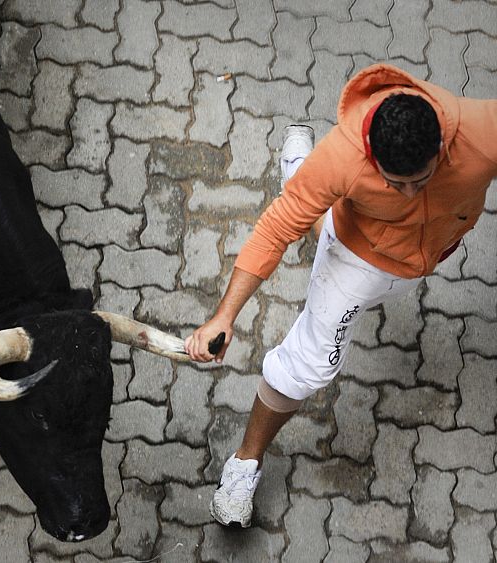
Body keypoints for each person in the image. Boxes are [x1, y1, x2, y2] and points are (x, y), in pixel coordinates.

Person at [185, 63, 497, 528]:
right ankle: (244, 465)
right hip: (356, 258)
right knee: (312, 361)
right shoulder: (344, 157)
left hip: (423, 257)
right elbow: (275, 230)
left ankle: (297, 171)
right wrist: (223, 316)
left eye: (423, 178)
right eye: (396, 184)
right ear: (372, 155)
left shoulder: (483, 131)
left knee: (315, 212)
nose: (411, 193)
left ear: (441, 147)